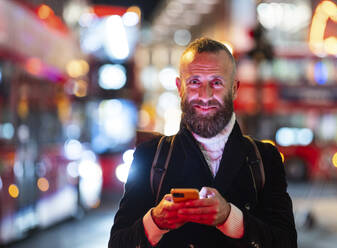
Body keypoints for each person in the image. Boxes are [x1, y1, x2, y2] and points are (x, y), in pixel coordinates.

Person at [109, 38, 297, 248]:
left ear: (234, 88)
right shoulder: (150, 156)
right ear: (180, 87)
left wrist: (230, 218)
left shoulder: (265, 158)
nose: (205, 96)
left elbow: (287, 242)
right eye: (194, 82)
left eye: (216, 82)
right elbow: (117, 243)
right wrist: (155, 222)